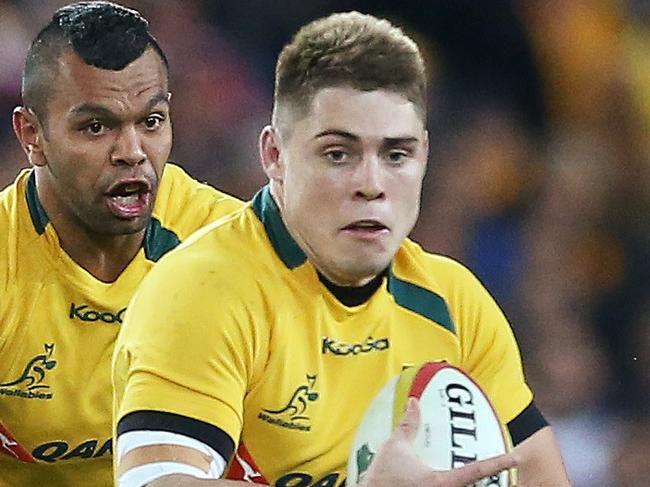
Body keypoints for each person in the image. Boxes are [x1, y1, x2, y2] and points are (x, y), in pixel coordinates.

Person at [113, 11, 571, 487]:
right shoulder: (204, 288)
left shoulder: (454, 302)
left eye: (396, 154)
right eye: (338, 154)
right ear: (274, 155)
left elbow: (542, 477)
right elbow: (156, 482)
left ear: (425, 156)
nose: (371, 185)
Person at [0, 2, 243, 486]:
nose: (132, 153)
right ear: (33, 136)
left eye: (151, 121)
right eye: (96, 126)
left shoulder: (226, 245)